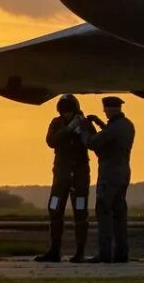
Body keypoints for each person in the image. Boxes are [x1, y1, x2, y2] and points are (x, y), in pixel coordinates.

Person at [37, 95, 92, 263]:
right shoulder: (56, 122)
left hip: (80, 176)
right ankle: (54, 251)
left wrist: (81, 128)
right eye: (63, 111)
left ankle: (80, 252)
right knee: (54, 209)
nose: (66, 114)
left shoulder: (85, 124)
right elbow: (51, 141)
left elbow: (91, 142)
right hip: (61, 176)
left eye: (69, 111)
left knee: (80, 213)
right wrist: (68, 128)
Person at [86, 96, 136, 264]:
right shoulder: (127, 125)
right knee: (120, 214)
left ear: (108, 109)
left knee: (104, 212)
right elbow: (109, 134)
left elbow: (93, 143)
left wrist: (86, 129)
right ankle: (121, 253)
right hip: (123, 172)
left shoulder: (113, 129)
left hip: (109, 173)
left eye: (105, 109)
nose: (104, 112)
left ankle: (105, 253)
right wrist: (99, 123)